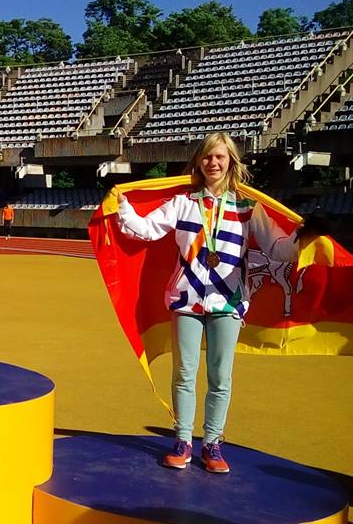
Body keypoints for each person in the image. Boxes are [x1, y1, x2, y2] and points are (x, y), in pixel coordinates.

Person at [116, 132, 305, 473]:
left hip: (228, 303)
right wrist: (122, 205)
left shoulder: (249, 208)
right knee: (184, 373)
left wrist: (302, 238)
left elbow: (278, 249)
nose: (213, 163)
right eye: (207, 157)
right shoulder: (183, 203)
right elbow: (145, 229)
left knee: (220, 377)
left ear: (231, 161)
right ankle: (183, 440)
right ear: (198, 162)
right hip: (186, 300)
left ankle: (213, 443)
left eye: (219, 157)